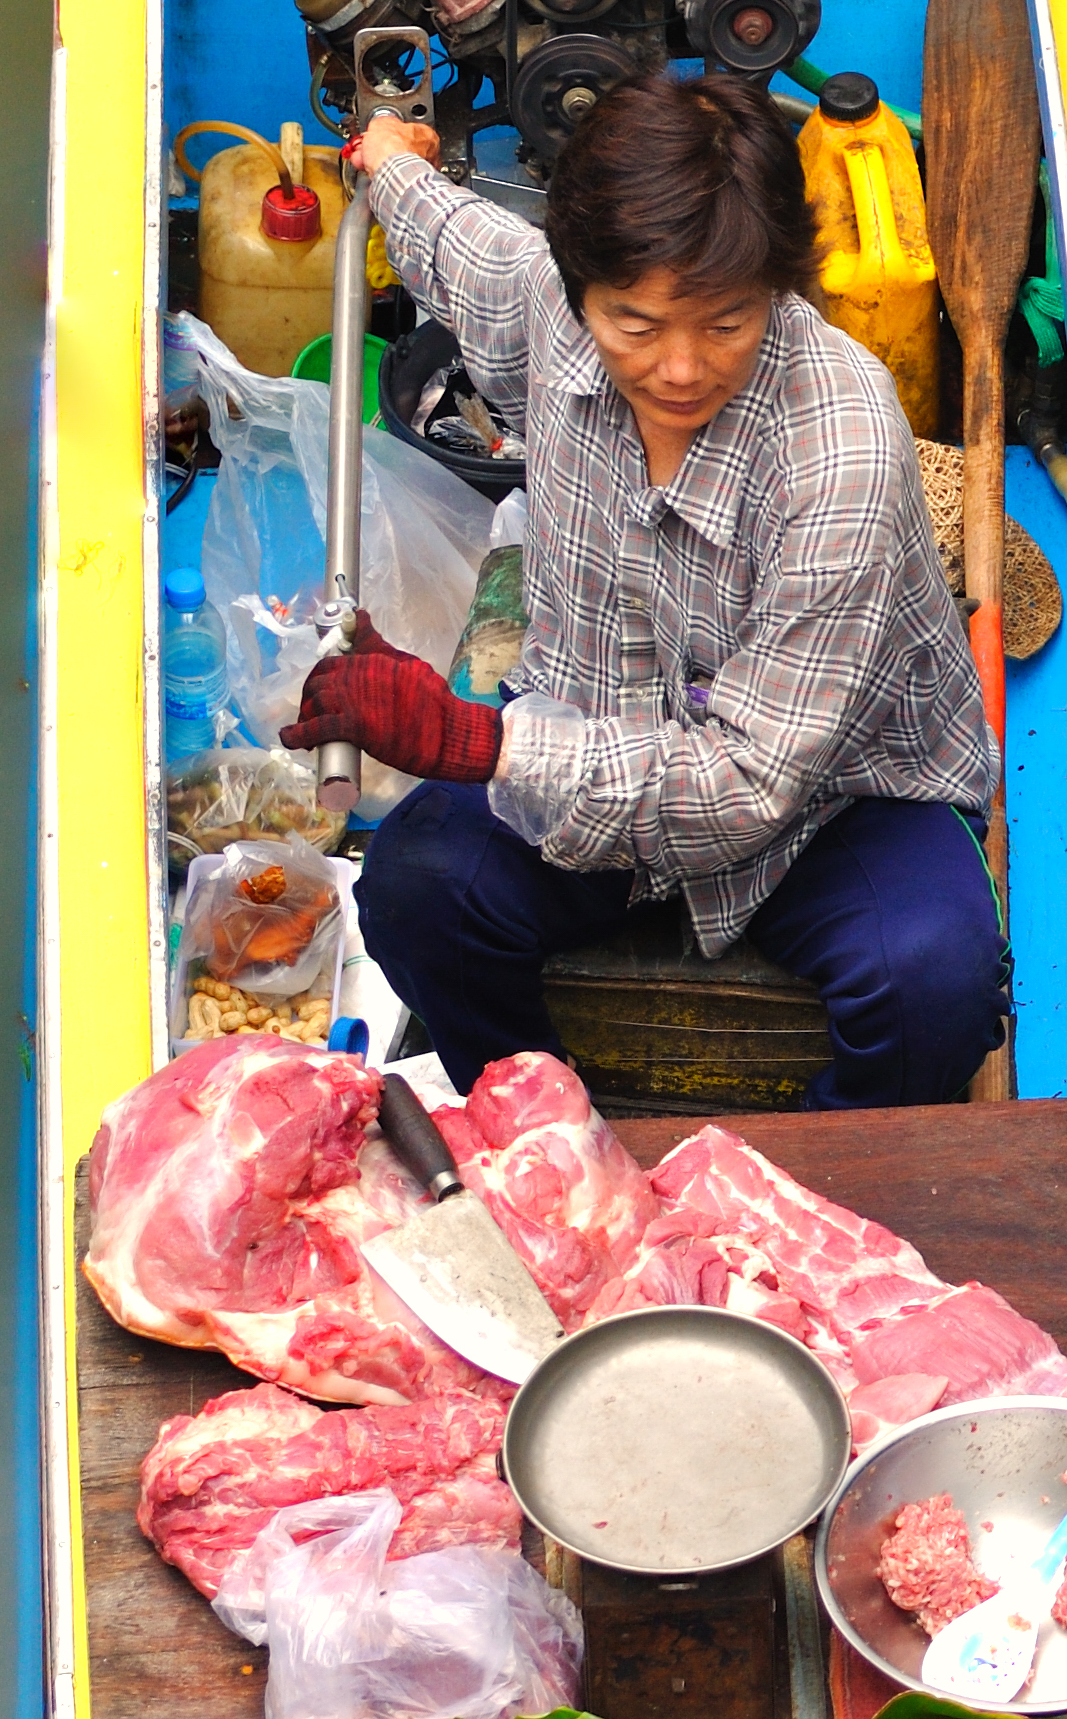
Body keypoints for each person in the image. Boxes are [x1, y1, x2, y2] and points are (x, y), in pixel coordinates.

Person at [286, 71, 1007, 1106]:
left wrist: (473, 743)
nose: (678, 368)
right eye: (634, 323)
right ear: (579, 286)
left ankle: (813, 1171)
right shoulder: (547, 302)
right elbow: (455, 243)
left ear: (779, 288)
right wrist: (392, 158)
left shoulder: (841, 445)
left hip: (831, 799)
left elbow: (748, 785)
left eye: (725, 323)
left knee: (932, 985)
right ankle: (541, 1129)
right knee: (416, 891)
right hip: (592, 720)